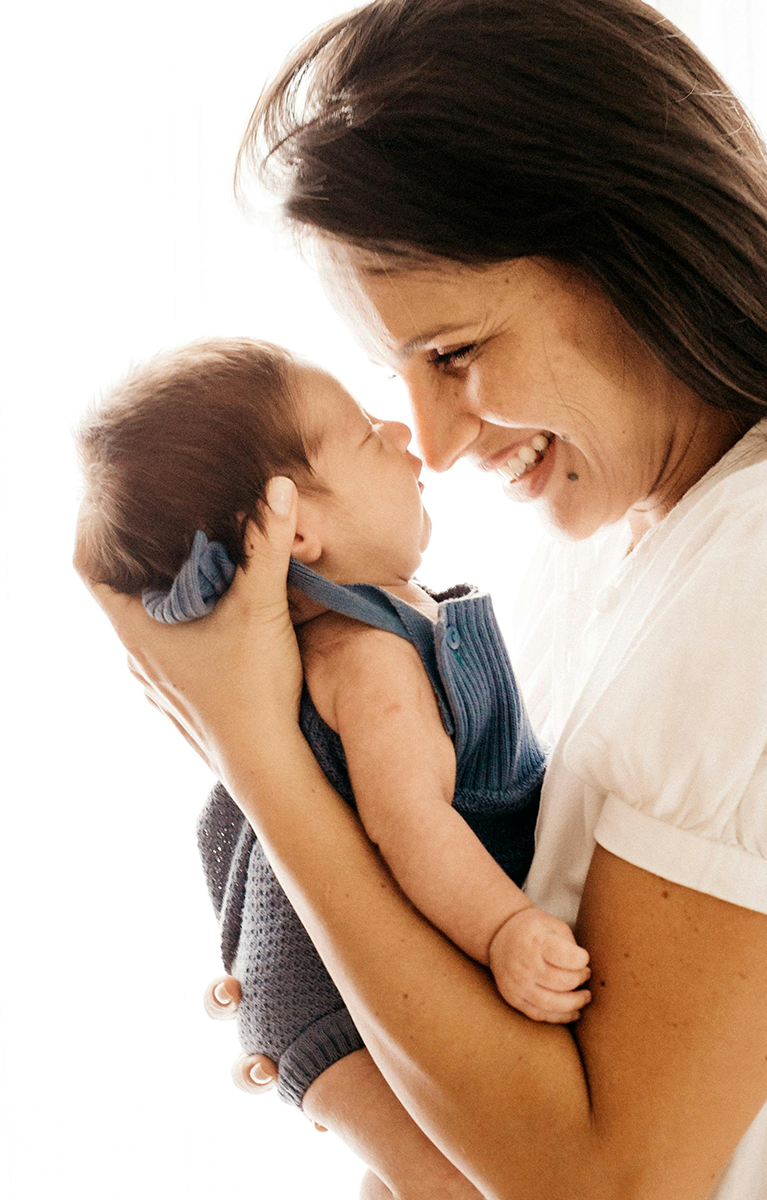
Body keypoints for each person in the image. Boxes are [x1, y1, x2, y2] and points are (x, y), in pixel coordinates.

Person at [77, 1, 767, 1196]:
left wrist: (254, 758)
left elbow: (601, 1182)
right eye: (400, 373)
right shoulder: (613, 549)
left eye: (455, 353)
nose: (436, 441)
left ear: (635, 254)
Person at [74, 337, 592, 1194]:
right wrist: (503, 929)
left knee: (420, 1174)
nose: (399, 429)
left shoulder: (379, 626)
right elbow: (410, 822)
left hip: (319, 976)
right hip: (329, 996)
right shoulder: (366, 656)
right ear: (296, 527)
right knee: (461, 1181)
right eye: (361, 432)